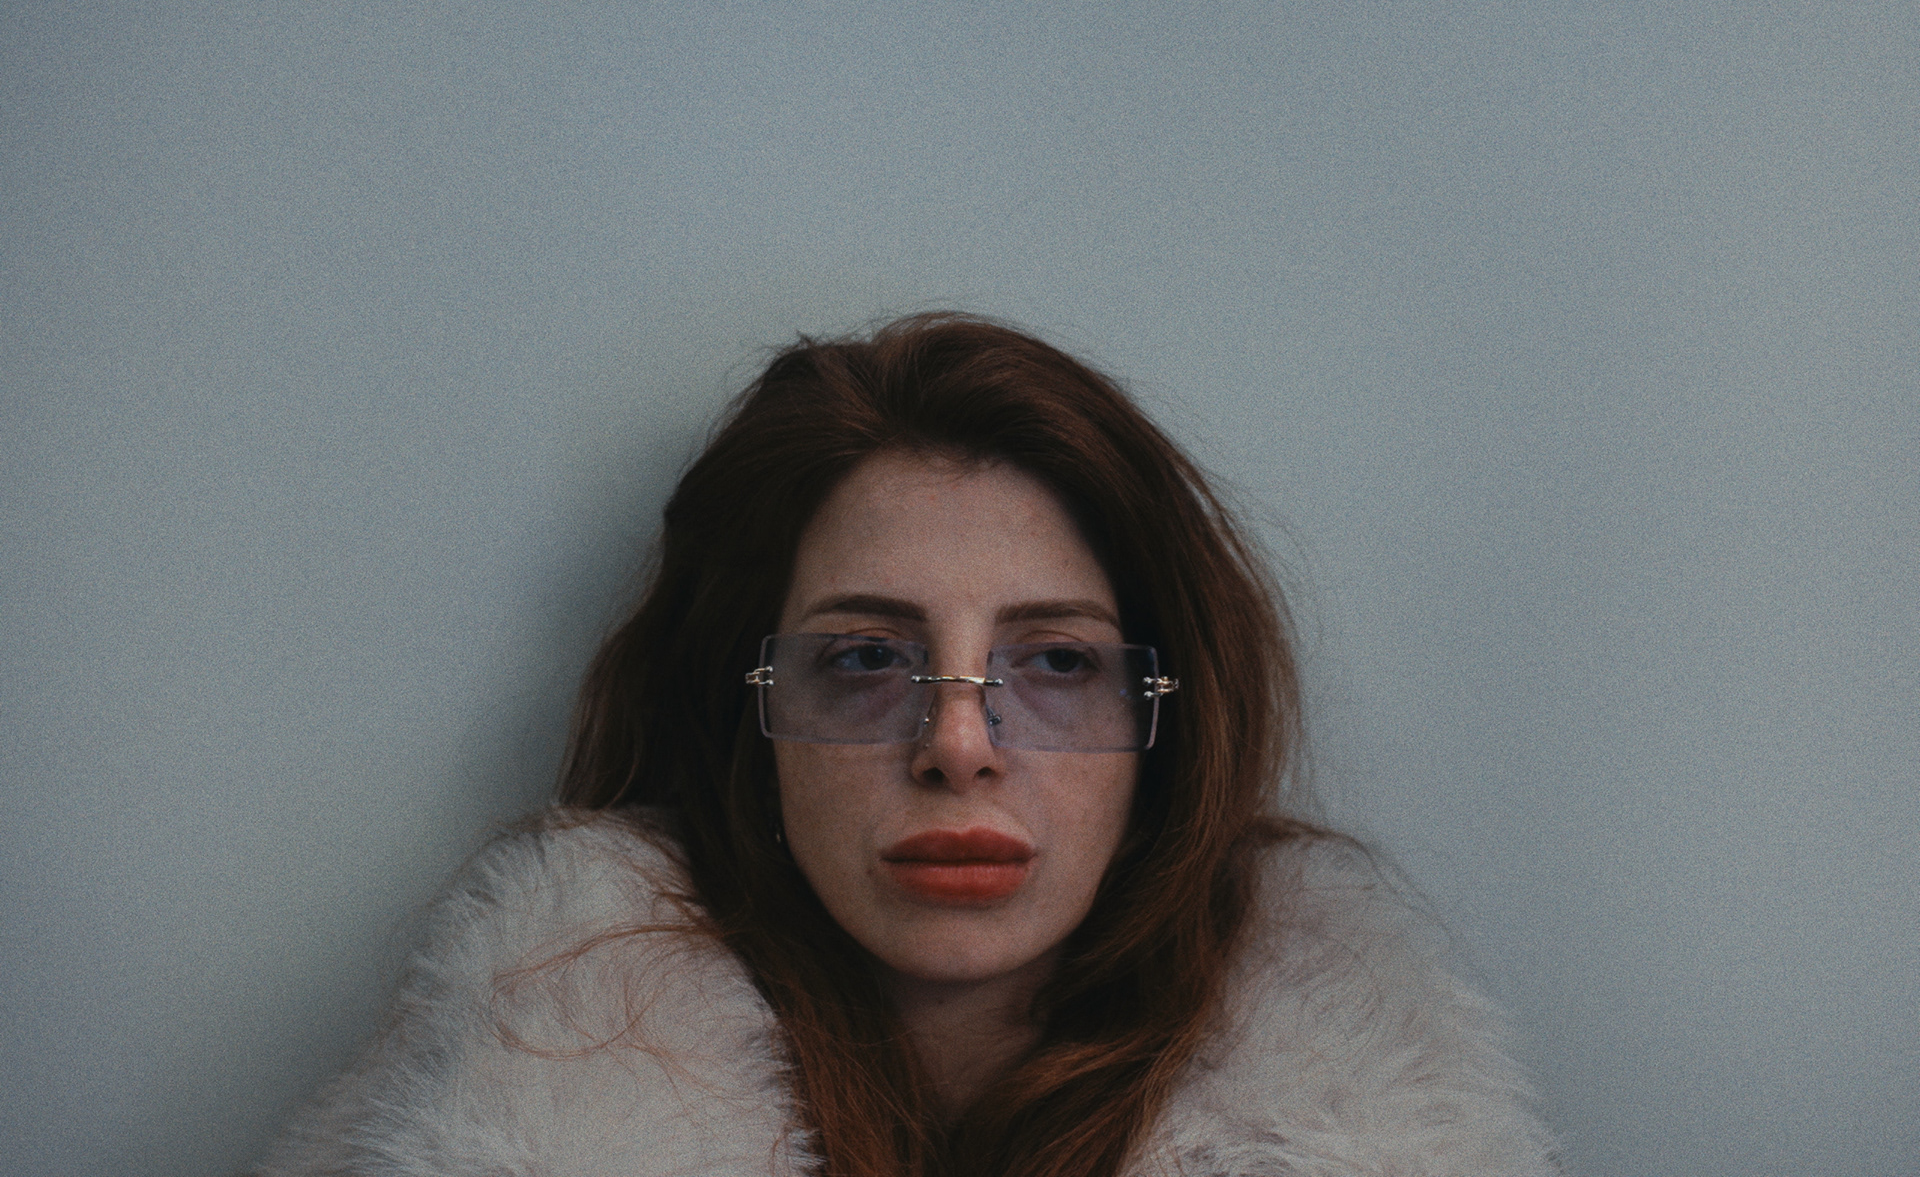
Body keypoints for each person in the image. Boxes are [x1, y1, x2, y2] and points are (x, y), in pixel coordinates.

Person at [256, 313, 1561, 1176]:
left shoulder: (1402, 1135)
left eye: (1057, 663)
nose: (958, 745)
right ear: (748, 722)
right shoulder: (488, 1108)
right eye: (866, 661)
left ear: (1162, 729)